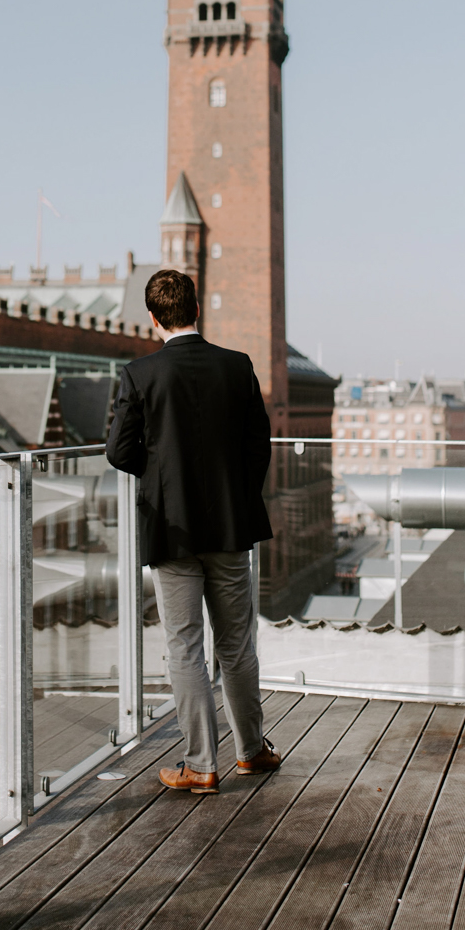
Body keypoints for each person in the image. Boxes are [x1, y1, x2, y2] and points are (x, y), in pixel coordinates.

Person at [105, 267, 280, 793]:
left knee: (184, 646)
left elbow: (119, 451)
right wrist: (236, 493)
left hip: (173, 529)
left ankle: (201, 764)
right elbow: (258, 446)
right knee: (237, 644)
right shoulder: (237, 366)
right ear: (197, 311)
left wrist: (161, 478)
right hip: (230, 525)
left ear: (154, 318)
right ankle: (251, 752)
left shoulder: (140, 374)